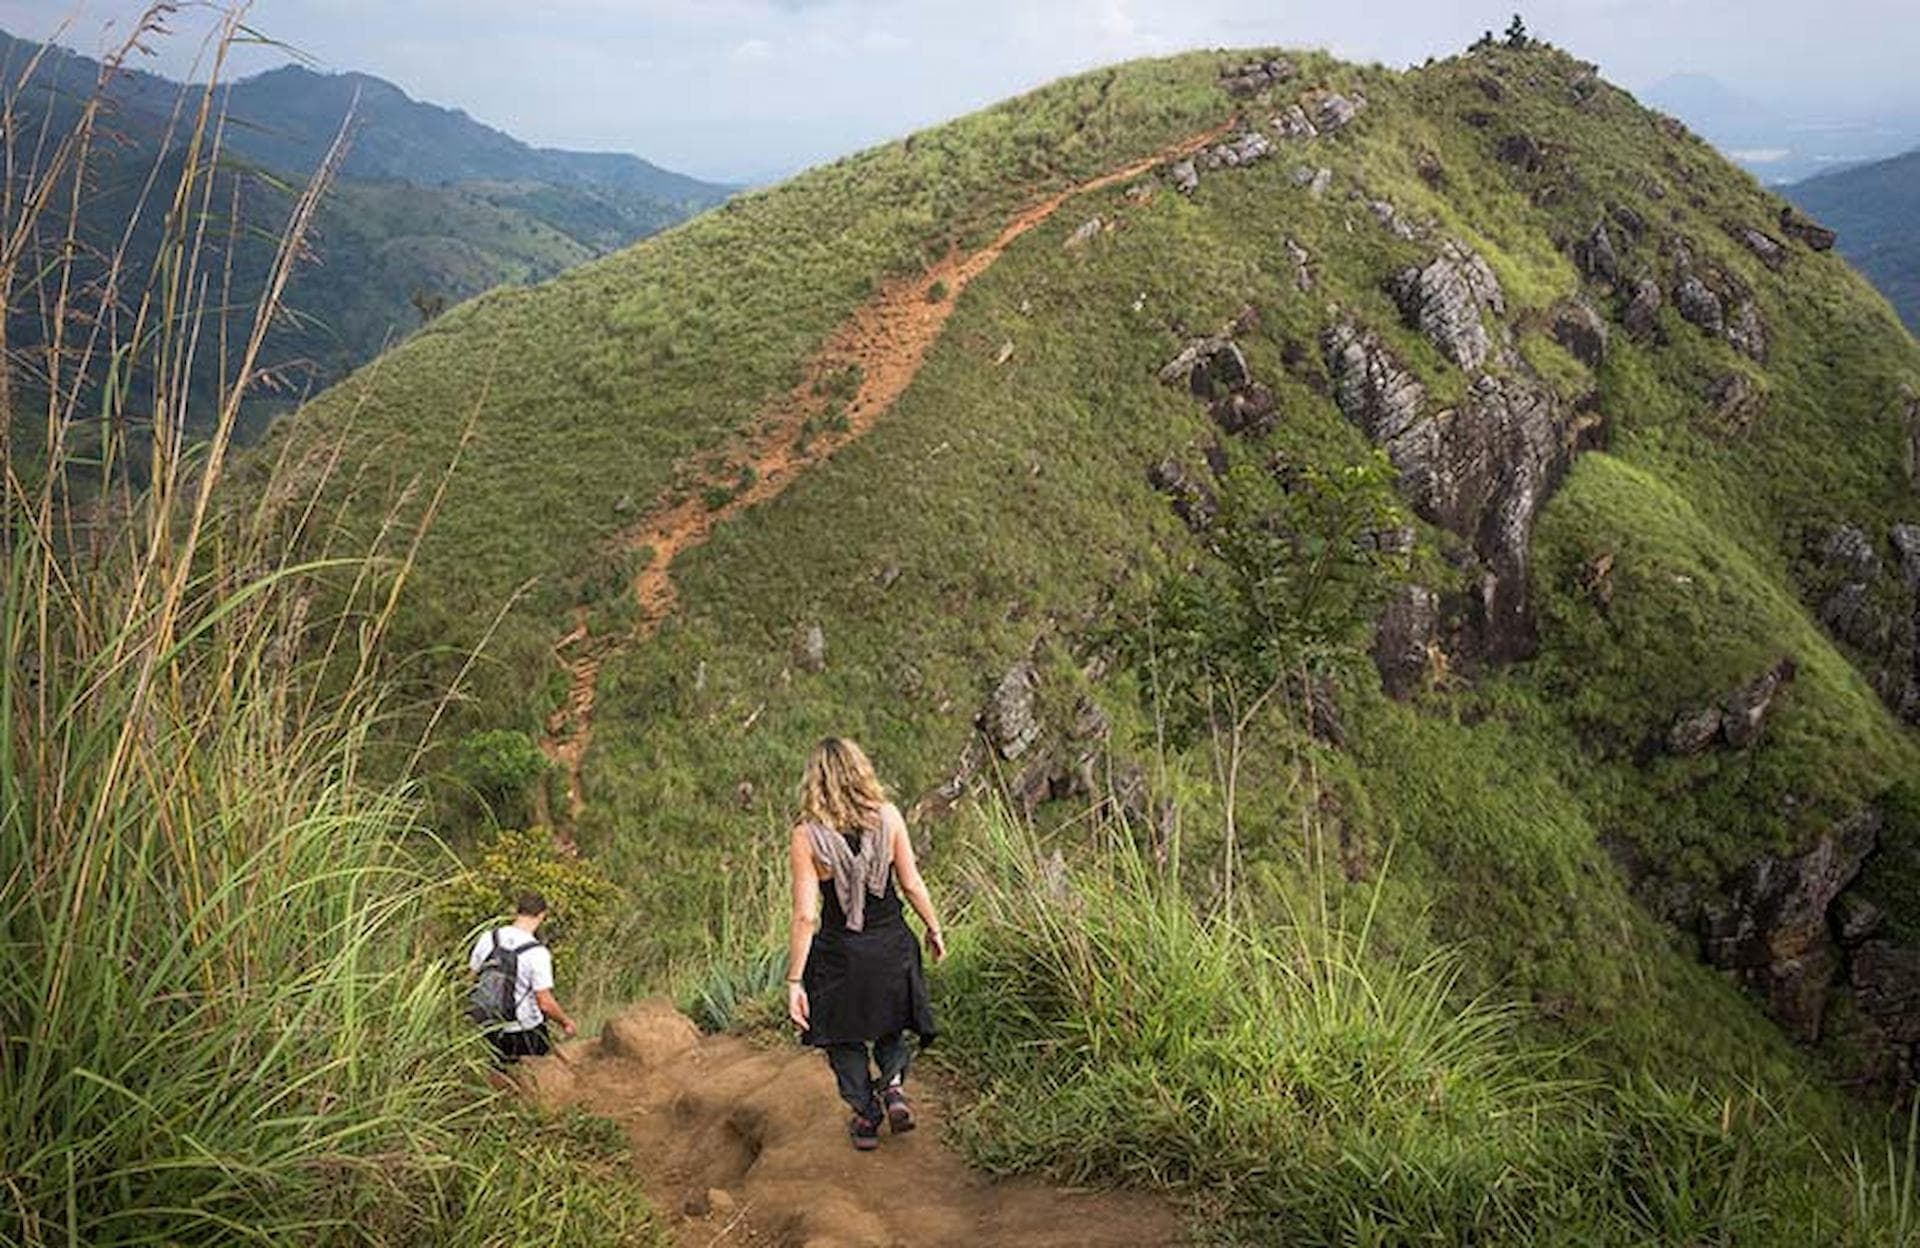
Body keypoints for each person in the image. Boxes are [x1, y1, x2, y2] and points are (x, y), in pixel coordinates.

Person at [785, 737, 944, 1151]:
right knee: (892, 1021)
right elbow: (910, 882)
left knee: (843, 1036)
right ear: (862, 772)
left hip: (841, 954)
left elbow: (806, 915)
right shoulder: (889, 817)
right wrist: (933, 927)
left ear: (814, 782)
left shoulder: (806, 836)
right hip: (892, 944)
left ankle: (866, 1113)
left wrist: (794, 981)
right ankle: (892, 1086)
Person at [467, 891, 578, 1061]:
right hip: (524, 1032)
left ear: (517, 911)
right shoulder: (537, 953)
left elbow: (471, 979)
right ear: (542, 915)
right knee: (539, 1078)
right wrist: (566, 1022)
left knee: (496, 1078)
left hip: (488, 1028)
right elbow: (545, 1003)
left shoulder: (489, 938)